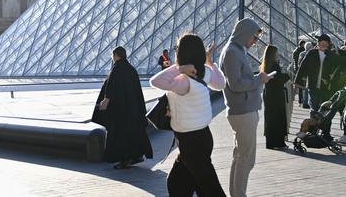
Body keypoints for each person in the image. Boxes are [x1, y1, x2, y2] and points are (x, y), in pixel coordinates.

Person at [150, 33, 227, 197]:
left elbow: (155, 82)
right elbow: (221, 84)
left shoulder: (183, 79)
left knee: (209, 189)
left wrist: (179, 68)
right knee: (178, 184)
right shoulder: (204, 72)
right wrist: (209, 61)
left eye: (177, 49)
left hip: (191, 142)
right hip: (201, 137)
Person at [220, 18, 270, 197]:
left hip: (243, 110)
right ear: (244, 34)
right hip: (243, 111)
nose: (255, 42)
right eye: (254, 38)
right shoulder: (232, 52)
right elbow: (236, 84)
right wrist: (259, 79)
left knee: (240, 156)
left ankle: (236, 193)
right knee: (246, 159)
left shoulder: (236, 50)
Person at [91, 46, 154, 169]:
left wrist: (104, 103)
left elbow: (110, 89)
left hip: (120, 111)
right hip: (133, 110)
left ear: (116, 56)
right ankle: (137, 155)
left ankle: (124, 160)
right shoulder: (131, 70)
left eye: (112, 56)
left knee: (120, 136)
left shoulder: (116, 69)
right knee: (134, 133)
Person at [294, 34, 342, 136]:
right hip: (313, 86)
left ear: (328, 44)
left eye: (326, 43)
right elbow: (303, 66)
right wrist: (297, 81)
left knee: (325, 111)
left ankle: (326, 133)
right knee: (314, 109)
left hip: (326, 87)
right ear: (318, 43)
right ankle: (313, 131)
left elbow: (342, 62)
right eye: (322, 42)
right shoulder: (311, 53)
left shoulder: (331, 55)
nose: (323, 44)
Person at [261, 45, 291, 149]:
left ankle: (270, 142)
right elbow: (279, 80)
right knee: (279, 118)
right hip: (277, 95)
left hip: (268, 94)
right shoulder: (275, 65)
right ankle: (279, 142)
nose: (278, 54)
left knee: (270, 118)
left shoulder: (264, 65)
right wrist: (287, 76)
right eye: (276, 52)